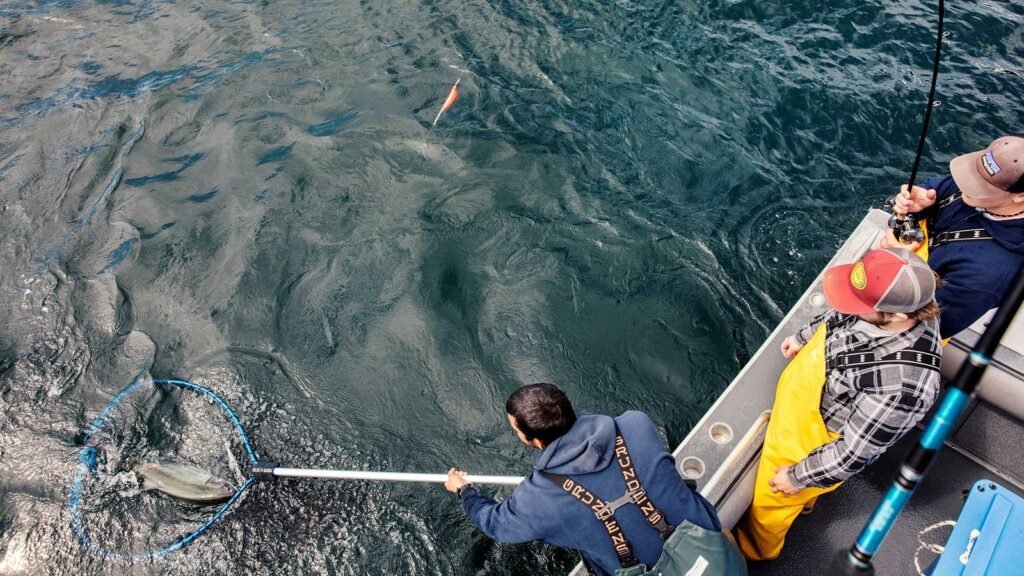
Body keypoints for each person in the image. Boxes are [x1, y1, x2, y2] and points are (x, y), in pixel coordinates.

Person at [734, 248, 943, 561]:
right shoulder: (894, 303)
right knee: (801, 494)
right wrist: (804, 336)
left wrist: (797, 477)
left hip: (811, 443)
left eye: (860, 303)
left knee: (771, 501)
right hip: (809, 405)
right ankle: (806, 499)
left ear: (899, 316)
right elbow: (842, 313)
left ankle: (754, 551)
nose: (849, 304)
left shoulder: (905, 387)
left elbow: (852, 453)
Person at [445, 383, 747, 576]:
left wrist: (465, 491)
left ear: (533, 440)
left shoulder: (537, 499)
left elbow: (495, 523)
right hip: (719, 557)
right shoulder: (636, 424)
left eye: (516, 430)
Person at [881, 133, 1024, 338]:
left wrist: (899, 264)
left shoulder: (987, 276)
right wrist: (919, 201)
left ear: (1020, 196)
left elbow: (926, 328)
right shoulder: (990, 183)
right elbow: (937, 188)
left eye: (980, 186)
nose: (965, 184)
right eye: (973, 172)